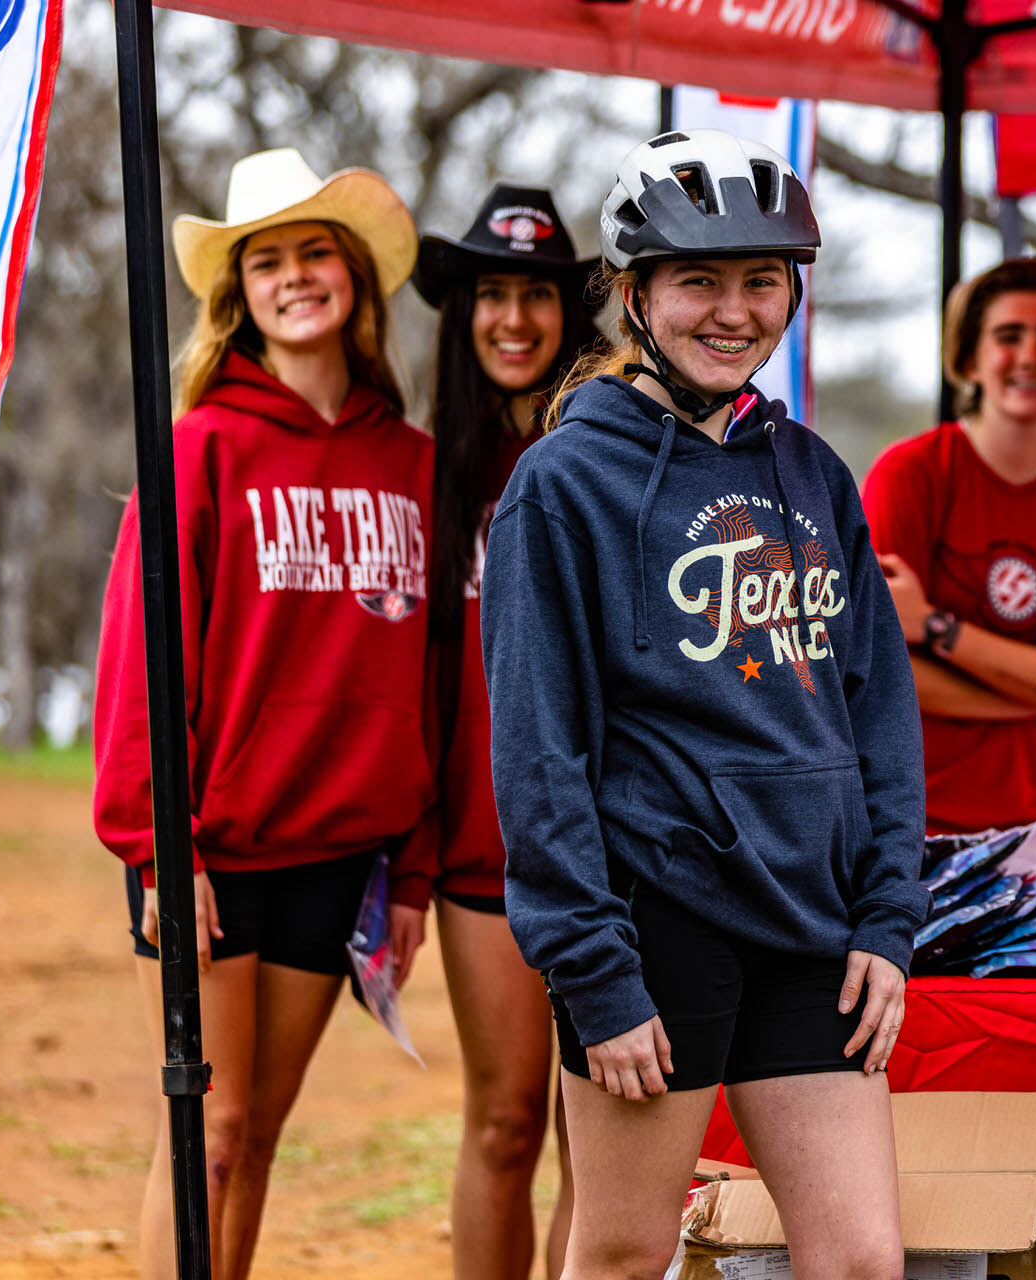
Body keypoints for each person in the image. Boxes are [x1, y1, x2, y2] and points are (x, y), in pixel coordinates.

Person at [479, 130, 925, 1280]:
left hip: (814, 924)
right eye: (699, 280)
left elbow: (875, 710)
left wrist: (886, 915)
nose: (734, 311)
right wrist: (592, 965)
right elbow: (539, 750)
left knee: (861, 1258)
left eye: (763, 280)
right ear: (635, 295)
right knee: (624, 1251)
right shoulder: (563, 486)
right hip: (654, 922)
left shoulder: (814, 473)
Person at [92, 147, 433, 1280]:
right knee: (209, 1133)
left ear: (354, 281)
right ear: (242, 295)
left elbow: (430, 680)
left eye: (316, 253)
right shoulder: (196, 451)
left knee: (259, 1134)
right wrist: (162, 843)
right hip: (208, 853)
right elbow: (143, 666)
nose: (295, 278)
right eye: (269, 261)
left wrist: (415, 870)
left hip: (339, 853)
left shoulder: (413, 463)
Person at [411, 183, 601, 1280]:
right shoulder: (430, 473)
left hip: (614, 846)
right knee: (505, 1119)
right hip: (484, 852)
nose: (515, 319)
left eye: (537, 294)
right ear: (464, 311)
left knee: (602, 1129)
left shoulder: (614, 460)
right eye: (493, 294)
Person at [861, 257, 1036, 834]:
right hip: (898, 831)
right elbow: (884, 678)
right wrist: (1033, 690)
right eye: (1009, 336)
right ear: (968, 360)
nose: (1032, 356)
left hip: (1024, 831)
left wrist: (934, 626)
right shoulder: (908, 475)